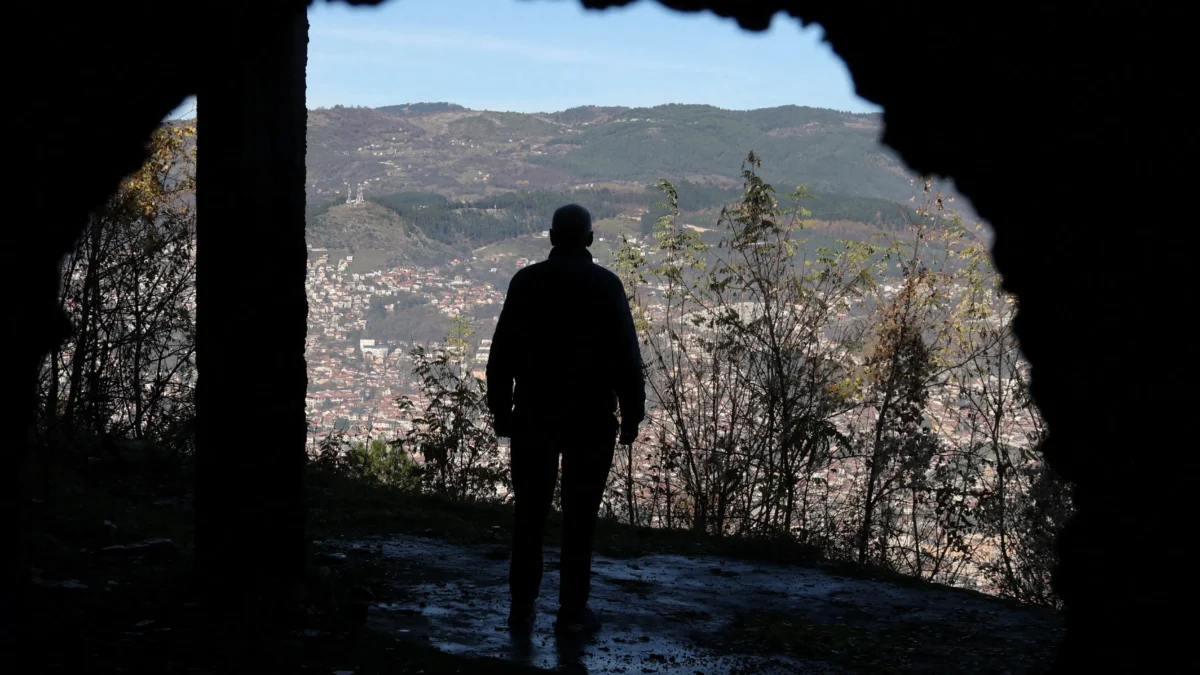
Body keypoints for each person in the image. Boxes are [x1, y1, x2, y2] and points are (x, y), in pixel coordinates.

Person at [486, 203, 645, 636]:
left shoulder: (526, 283)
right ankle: (572, 611)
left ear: (552, 237)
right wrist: (632, 414)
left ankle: (521, 606)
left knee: (529, 515)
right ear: (590, 239)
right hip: (591, 419)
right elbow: (626, 358)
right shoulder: (606, 286)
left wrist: (501, 409)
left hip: (533, 414)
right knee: (580, 518)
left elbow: (502, 353)